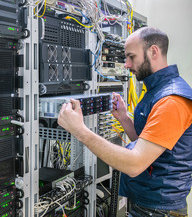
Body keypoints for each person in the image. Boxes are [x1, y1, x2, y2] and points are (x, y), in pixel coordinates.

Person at [57, 27, 192, 217]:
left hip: (159, 210)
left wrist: (80, 130)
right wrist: (124, 119)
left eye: (131, 56)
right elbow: (152, 146)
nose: (127, 64)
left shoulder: (171, 100)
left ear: (153, 51)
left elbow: (135, 164)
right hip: (150, 205)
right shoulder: (157, 91)